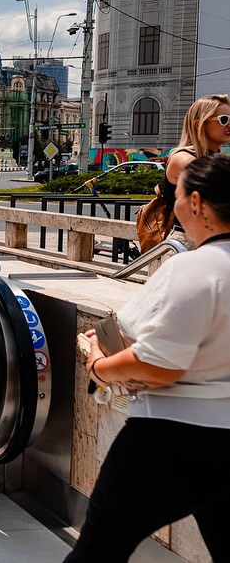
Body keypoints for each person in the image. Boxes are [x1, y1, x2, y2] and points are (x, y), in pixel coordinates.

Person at [66, 153, 230, 561]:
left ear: (196, 204)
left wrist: (97, 364)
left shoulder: (195, 269)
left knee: (98, 550)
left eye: (175, 193)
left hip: (170, 438)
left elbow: (158, 365)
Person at [156, 93, 230, 228]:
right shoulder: (182, 158)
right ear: (198, 124)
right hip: (187, 241)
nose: (229, 125)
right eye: (224, 119)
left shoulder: (217, 158)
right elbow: (217, 182)